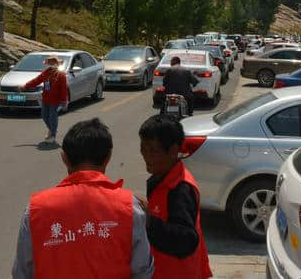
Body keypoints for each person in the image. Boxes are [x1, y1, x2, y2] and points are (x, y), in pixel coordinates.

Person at [12, 118, 154, 279]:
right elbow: (142, 270)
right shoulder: (130, 207)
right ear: (109, 156)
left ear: (64, 158)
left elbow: (21, 273)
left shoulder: (35, 210)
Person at [138, 114, 212, 279]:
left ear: (172, 151)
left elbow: (186, 239)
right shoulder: (160, 176)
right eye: (143, 147)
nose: (145, 154)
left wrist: (147, 220)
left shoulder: (181, 189)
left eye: (152, 150)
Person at [20, 57, 68, 143]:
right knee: (44, 116)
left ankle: (53, 135)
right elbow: (36, 81)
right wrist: (25, 86)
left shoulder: (61, 75)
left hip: (55, 100)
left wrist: (64, 101)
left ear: (54, 64)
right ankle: (52, 129)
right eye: (47, 63)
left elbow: (63, 89)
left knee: (53, 117)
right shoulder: (45, 73)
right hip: (46, 99)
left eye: (48, 63)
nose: (46, 65)